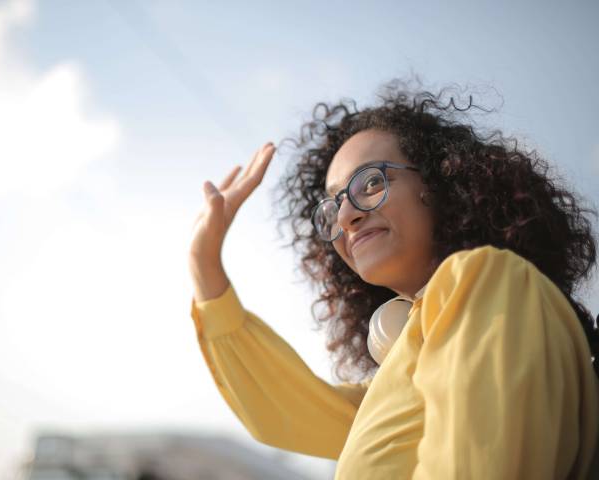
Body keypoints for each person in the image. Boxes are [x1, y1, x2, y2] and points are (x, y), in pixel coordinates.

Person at [188, 82, 599, 479]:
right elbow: (285, 411)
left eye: (370, 182)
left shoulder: (490, 279)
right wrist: (204, 263)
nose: (346, 215)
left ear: (439, 184)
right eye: (332, 206)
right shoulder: (398, 377)